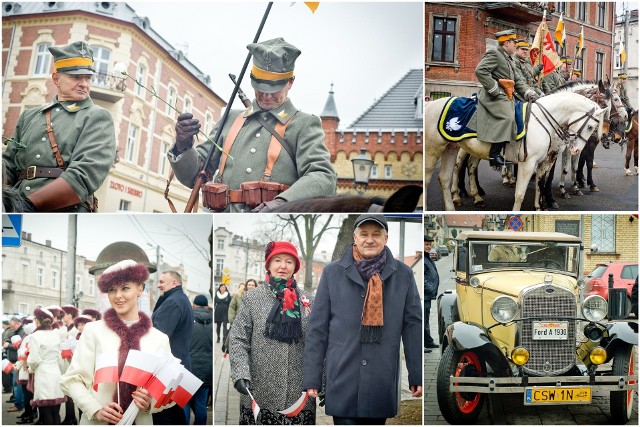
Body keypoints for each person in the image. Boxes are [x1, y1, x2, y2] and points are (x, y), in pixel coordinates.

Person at [168, 37, 337, 212]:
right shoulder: (231, 118)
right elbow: (194, 177)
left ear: (290, 82)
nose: (266, 95)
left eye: (274, 88)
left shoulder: (304, 124)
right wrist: (183, 146)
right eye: (260, 87)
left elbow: (323, 176)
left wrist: (283, 203)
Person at [303, 214, 422, 424]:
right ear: (354, 237)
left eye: (376, 234)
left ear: (386, 238)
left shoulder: (403, 275)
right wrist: (312, 377)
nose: (370, 239)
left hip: (381, 377)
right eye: (364, 234)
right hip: (343, 375)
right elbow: (317, 329)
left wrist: (417, 374)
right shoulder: (333, 273)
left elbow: (413, 326)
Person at [2, 41, 116, 212]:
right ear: (56, 78)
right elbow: (9, 164)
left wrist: (29, 205)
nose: (84, 83)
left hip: (64, 210)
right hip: (14, 208)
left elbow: (85, 173)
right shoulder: (29, 116)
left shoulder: (97, 116)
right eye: (76, 77)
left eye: (88, 77)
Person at [60, 260, 173, 424]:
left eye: (125, 288)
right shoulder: (93, 331)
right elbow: (72, 380)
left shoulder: (159, 338)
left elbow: (169, 389)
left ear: (140, 289)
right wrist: (95, 409)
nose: (118, 296)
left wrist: (151, 403)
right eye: (112, 290)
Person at [229, 241, 315, 424]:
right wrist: (240, 373)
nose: (283, 266)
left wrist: (319, 380)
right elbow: (238, 339)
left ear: (295, 267)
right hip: (259, 390)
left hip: (298, 395)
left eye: (289, 261)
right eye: (277, 260)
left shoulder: (309, 300)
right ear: (268, 264)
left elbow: (319, 342)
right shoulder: (252, 298)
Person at [475, 30, 538, 167]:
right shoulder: (494, 53)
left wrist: (529, 92)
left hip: (507, 94)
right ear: (507, 42)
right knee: (508, 117)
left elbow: (518, 80)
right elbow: (480, 71)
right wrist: (495, 90)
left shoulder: (509, 58)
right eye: (514, 42)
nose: (515, 45)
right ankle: (494, 155)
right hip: (493, 95)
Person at [151, 270, 194, 425]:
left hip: (169, 369)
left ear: (175, 283)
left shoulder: (173, 302)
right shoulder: (181, 299)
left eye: (162, 282)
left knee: (166, 415)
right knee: (177, 413)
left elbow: (157, 337)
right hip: (179, 365)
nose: (158, 285)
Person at [27, 308, 67, 424]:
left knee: (45, 412)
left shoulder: (35, 336)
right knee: (55, 411)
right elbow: (59, 357)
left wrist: (31, 368)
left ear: (38, 321)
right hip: (55, 373)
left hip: (43, 374)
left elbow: (34, 360)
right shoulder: (55, 335)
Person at [185, 295, 213, 425]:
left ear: (194, 305)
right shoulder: (213, 322)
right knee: (201, 403)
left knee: (184, 401)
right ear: (207, 306)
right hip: (206, 369)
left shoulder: (187, 320)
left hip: (188, 367)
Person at [60, 305, 79, 425]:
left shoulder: (75, 330)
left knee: (72, 392)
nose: (62, 317)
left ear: (70, 316)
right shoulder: (64, 329)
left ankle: (72, 418)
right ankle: (69, 417)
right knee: (67, 392)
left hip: (73, 365)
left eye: (64, 314)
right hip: (65, 364)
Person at [3, 316, 25, 414]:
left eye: (12, 326)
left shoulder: (22, 332)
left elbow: (20, 346)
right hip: (16, 360)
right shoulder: (17, 332)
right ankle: (18, 403)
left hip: (19, 361)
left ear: (18, 323)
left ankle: (19, 404)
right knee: (15, 383)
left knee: (17, 384)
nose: (11, 328)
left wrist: (9, 345)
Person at [424, 235, 440, 353]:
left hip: (428, 295)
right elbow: (422, 278)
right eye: (426, 244)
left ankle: (428, 342)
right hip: (425, 295)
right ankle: (425, 344)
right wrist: (430, 288)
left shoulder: (427, 257)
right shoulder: (423, 258)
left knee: (426, 319)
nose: (429, 247)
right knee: (423, 320)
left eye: (430, 245)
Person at [214, 284, 231, 349]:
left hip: (225, 311)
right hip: (218, 311)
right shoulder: (217, 295)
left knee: (224, 324)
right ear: (219, 288)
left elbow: (230, 303)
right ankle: (218, 337)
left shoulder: (228, 295)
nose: (223, 288)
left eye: (224, 287)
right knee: (218, 325)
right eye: (221, 287)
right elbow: (215, 303)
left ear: (225, 288)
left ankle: (224, 338)